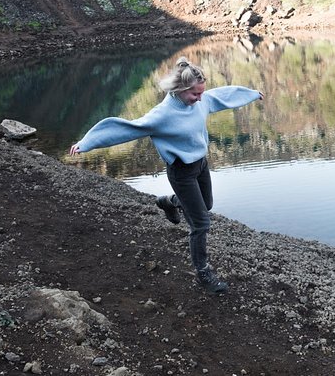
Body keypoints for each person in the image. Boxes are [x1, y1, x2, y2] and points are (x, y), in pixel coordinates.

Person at [69, 56, 264, 294]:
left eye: (201, 93)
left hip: (200, 165)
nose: (200, 99)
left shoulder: (201, 101)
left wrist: (251, 94)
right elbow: (127, 129)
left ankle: (169, 202)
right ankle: (203, 273)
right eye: (195, 94)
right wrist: (87, 142)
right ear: (180, 90)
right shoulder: (161, 116)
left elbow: (223, 96)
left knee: (207, 205)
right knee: (201, 223)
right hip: (181, 172)